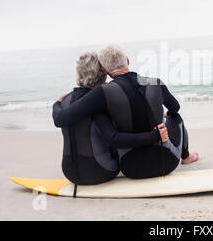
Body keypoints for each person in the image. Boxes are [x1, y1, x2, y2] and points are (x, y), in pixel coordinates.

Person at [53, 44, 198, 179]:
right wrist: (160, 124)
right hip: (167, 163)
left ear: (105, 70)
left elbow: (63, 118)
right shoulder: (155, 82)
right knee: (175, 116)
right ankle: (186, 157)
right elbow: (175, 108)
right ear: (127, 60)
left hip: (131, 168)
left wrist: (58, 103)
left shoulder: (103, 92)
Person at [56, 51, 164, 189]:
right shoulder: (98, 102)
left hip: (69, 172)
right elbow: (114, 139)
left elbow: (60, 118)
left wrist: (56, 104)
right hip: (100, 172)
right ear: (102, 73)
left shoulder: (65, 101)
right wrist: (154, 136)